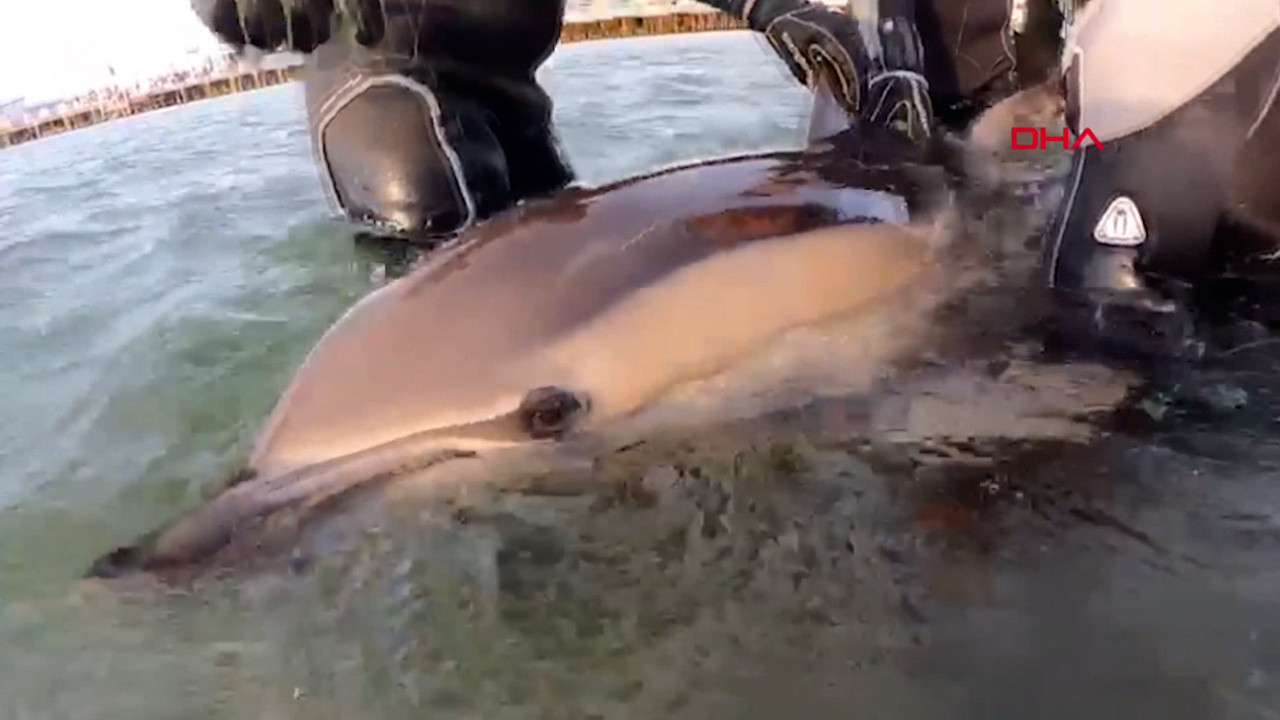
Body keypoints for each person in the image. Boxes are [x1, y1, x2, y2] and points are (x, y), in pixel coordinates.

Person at [190, 0, 949, 242]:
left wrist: (768, 5)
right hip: (392, 107)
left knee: (571, 272)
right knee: (482, 332)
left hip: (510, 96)